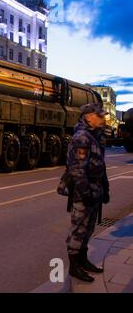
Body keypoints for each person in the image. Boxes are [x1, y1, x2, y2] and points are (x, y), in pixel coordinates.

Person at [65, 103, 110, 282]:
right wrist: (86, 194)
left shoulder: (95, 137)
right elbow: (77, 170)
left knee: (89, 228)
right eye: (99, 116)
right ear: (88, 116)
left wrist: (105, 189)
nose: (103, 119)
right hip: (84, 192)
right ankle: (74, 267)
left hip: (95, 189)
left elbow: (101, 166)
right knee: (78, 229)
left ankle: (83, 260)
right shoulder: (81, 138)